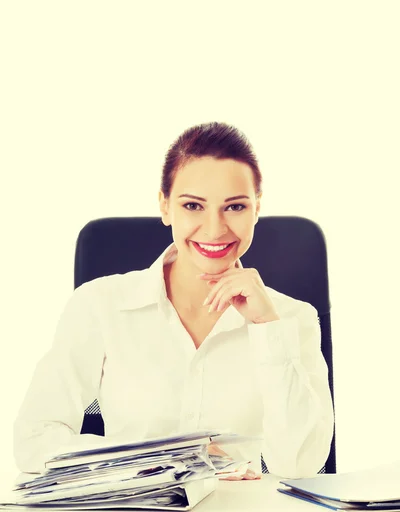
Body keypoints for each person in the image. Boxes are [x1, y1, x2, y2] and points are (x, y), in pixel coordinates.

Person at [14, 122, 334, 479]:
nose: (214, 229)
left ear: (257, 208)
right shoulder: (99, 305)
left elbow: (300, 466)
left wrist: (267, 330)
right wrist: (169, 462)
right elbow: (34, 441)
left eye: (235, 207)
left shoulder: (292, 318)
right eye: (193, 205)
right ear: (165, 206)